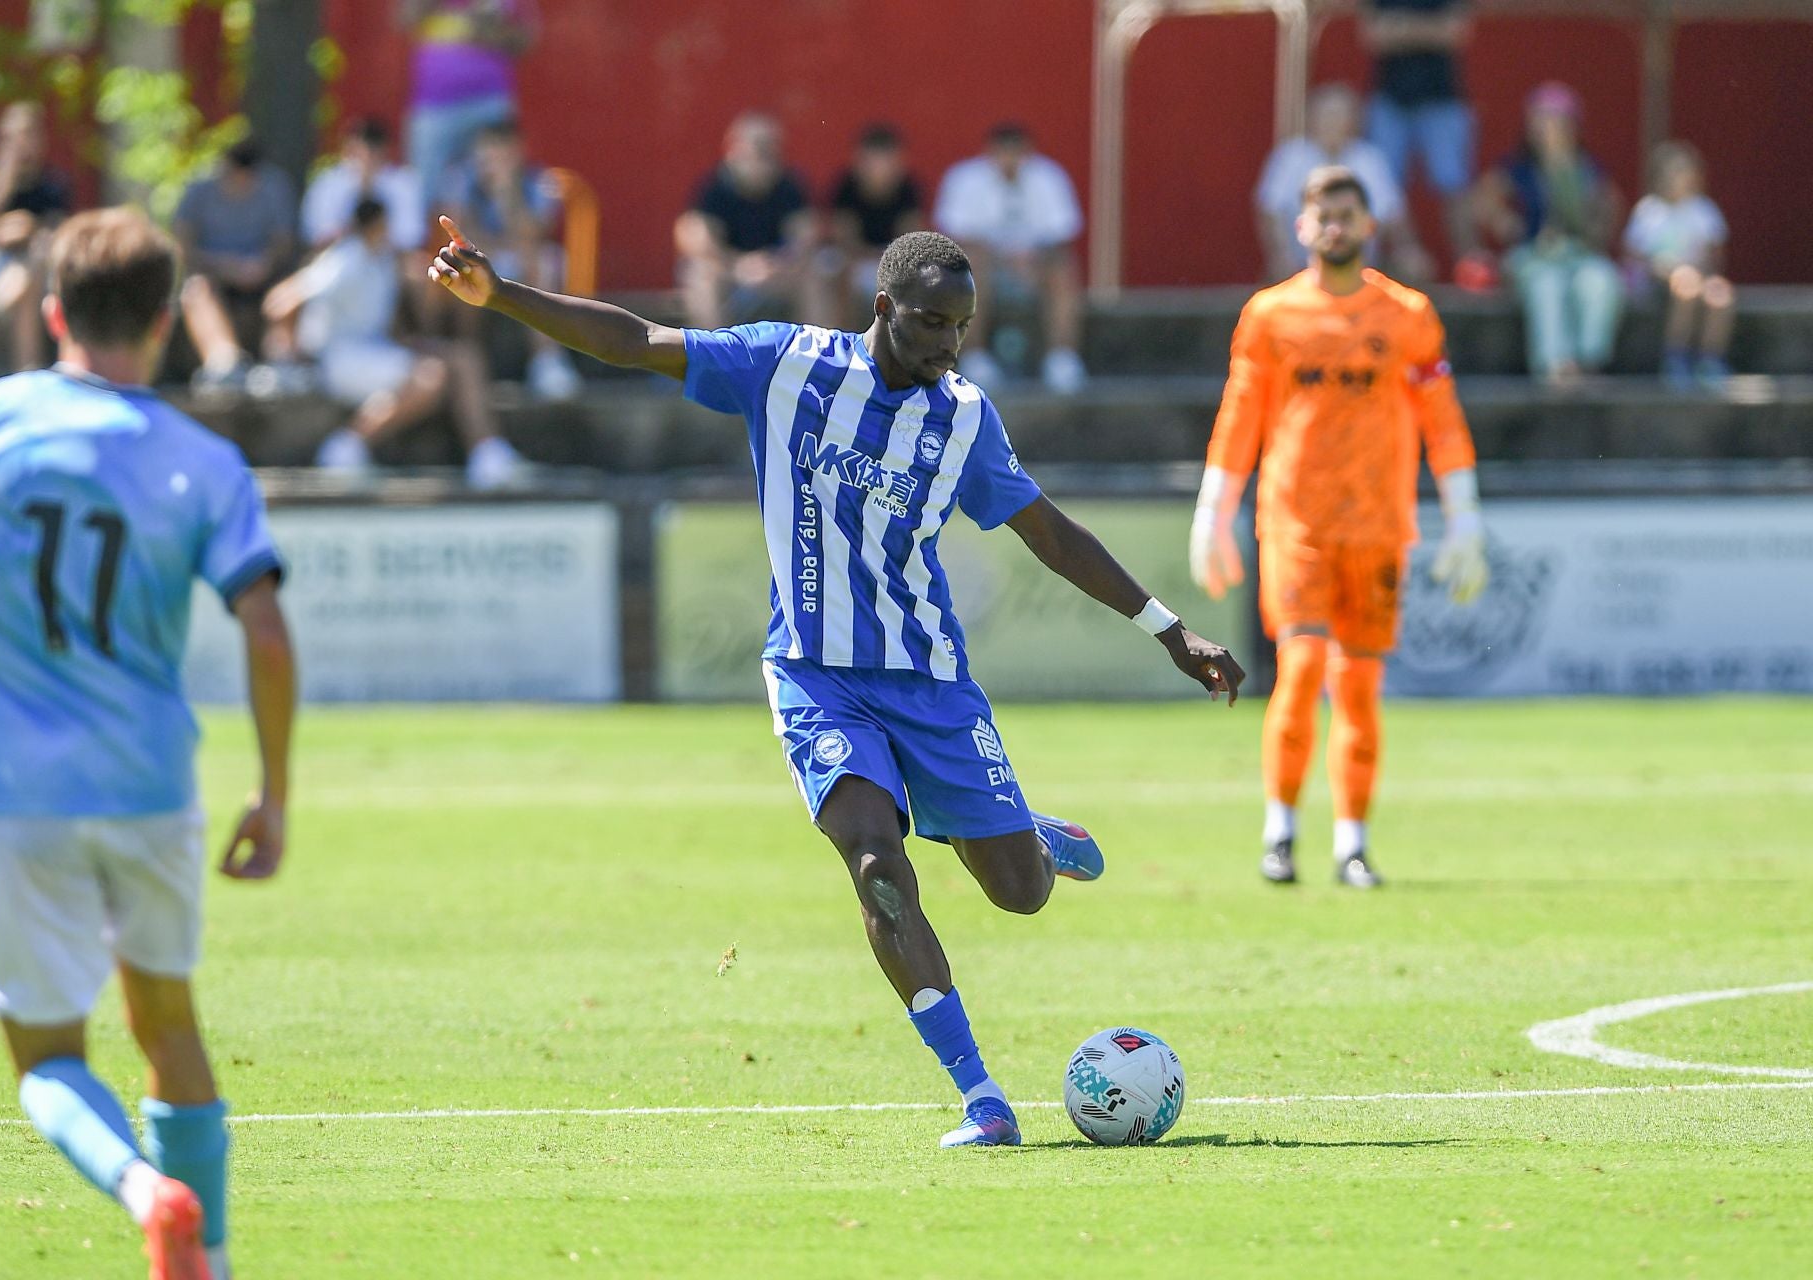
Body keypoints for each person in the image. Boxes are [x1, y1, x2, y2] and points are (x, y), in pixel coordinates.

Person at [429, 216, 1244, 1148]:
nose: (948, 346)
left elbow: (1049, 534)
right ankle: (981, 1097)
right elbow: (637, 341)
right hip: (816, 676)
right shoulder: (785, 365)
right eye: (932, 323)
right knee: (876, 868)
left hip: (930, 680)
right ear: (885, 306)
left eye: (962, 329)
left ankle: (1032, 839)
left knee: (1017, 893)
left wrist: (1168, 631)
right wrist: (502, 298)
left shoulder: (965, 419)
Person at [0, 207, 298, 1280]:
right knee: (169, 1020)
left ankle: (140, 1188)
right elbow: (265, 626)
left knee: (47, 1057)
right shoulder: (204, 462)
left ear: (53, 312)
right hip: (151, 787)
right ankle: (202, 1255)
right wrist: (273, 791)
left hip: (11, 794)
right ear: (165, 322)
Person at [1190, 166, 1487, 889]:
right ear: (1302, 226)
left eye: (1346, 213)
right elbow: (1241, 417)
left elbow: (1441, 419)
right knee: (1299, 670)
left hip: (1380, 526)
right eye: (1322, 214)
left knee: (1358, 687)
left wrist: (1464, 518)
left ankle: (1352, 843)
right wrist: (1213, 512)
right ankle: (1280, 833)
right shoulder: (1270, 315)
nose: (1334, 226)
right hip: (1297, 525)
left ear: (1368, 223)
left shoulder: (1409, 315)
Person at [268, 198, 532, 489]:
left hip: (372, 354)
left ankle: (489, 455)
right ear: (378, 225)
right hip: (341, 362)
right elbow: (281, 304)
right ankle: (345, 446)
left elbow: (376, 323)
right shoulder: (343, 261)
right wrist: (290, 358)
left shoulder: (380, 261)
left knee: (463, 358)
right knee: (431, 377)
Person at [1474, 82, 1623, 386]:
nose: (1547, 129)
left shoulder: (1587, 170)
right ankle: (1556, 365)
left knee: (1601, 281)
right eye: (1540, 121)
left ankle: (1589, 361)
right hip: (1531, 255)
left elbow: (1609, 208)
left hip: (1579, 254)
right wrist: (1508, 224)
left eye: (1555, 122)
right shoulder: (1518, 167)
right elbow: (1480, 202)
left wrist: (1563, 172)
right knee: (1547, 285)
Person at [931, 123, 1087, 395]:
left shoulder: (1049, 177)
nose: (1010, 161)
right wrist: (1003, 260)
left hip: (1034, 268)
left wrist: (1032, 261)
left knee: (1063, 268)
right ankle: (975, 356)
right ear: (989, 152)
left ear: (1028, 153)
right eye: (1003, 153)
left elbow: (1062, 235)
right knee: (971, 266)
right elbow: (954, 235)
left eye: (1016, 153)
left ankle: (1062, 359)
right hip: (982, 269)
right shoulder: (965, 179)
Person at [444, 120, 582, 398]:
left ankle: (546, 359)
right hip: (484, 256)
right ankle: (471, 362)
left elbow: (533, 235)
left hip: (522, 257)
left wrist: (507, 193)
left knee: (545, 262)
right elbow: (461, 232)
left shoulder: (539, 182)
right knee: (462, 267)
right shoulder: (461, 180)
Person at [1359, 0, 1486, 283]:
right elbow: (1373, 35)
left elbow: (1455, 33)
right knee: (1381, 187)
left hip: (1442, 99)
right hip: (1390, 99)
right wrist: (1429, 32)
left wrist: (1401, 29)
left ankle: (1471, 267)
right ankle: (1381, 266)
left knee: (1454, 183)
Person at [675, 112, 825, 330]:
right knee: (699, 275)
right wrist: (739, 266)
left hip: (780, 273)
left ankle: (815, 360)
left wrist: (778, 265)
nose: (760, 159)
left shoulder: (790, 186)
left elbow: (806, 237)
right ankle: (715, 357)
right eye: (754, 150)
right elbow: (696, 239)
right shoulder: (715, 188)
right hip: (729, 272)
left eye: (767, 150)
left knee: (818, 274)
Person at [1257, 84, 1420, 282]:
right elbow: (1270, 210)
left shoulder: (1370, 158)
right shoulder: (1290, 157)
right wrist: (1280, 255)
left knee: (1415, 266)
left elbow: (1392, 213)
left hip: (1362, 266)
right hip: (1300, 264)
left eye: (1340, 115)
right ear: (1311, 119)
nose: (1333, 122)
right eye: (1327, 115)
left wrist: (1407, 249)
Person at [173, 140, 300, 390]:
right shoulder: (198, 191)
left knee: (291, 290)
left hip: (265, 276)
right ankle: (223, 364)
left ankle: (281, 363)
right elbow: (182, 246)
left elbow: (283, 242)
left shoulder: (275, 187)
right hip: (213, 276)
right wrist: (223, 265)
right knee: (196, 290)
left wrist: (264, 263)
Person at [0, 102, 73, 372]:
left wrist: (29, 229)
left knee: (32, 270)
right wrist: (0, 187)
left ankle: (27, 366)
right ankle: (27, 368)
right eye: (11, 137)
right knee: (28, 279)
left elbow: (62, 237)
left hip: (35, 271)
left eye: (27, 135)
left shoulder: (54, 186)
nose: (20, 144)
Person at [397, 0, 539, 198]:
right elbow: (404, 18)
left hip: (490, 102)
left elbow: (527, 40)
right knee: (421, 189)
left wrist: (493, 32)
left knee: (496, 186)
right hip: (433, 105)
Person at [1624, 141, 1735, 390]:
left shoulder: (1704, 210)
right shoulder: (1648, 211)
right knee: (1686, 285)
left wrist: (1707, 275)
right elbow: (1636, 257)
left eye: (1685, 171)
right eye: (1673, 172)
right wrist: (1668, 270)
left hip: (1697, 276)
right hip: (1657, 283)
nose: (1680, 178)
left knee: (1721, 294)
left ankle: (1710, 360)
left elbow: (1713, 255)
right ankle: (1675, 358)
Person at [824, 124, 925, 325]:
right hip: (854, 258)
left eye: (886, 160)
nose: (879, 168)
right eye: (873, 160)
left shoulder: (908, 188)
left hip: (891, 257)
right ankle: (842, 339)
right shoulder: (845, 187)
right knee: (838, 269)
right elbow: (844, 241)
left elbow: (910, 240)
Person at [301, 118, 429, 253]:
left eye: (373, 151)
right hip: (338, 261)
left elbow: (411, 238)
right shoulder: (327, 182)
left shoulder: (404, 183)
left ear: (385, 151)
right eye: (359, 151)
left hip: (388, 264)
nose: (366, 157)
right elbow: (316, 236)